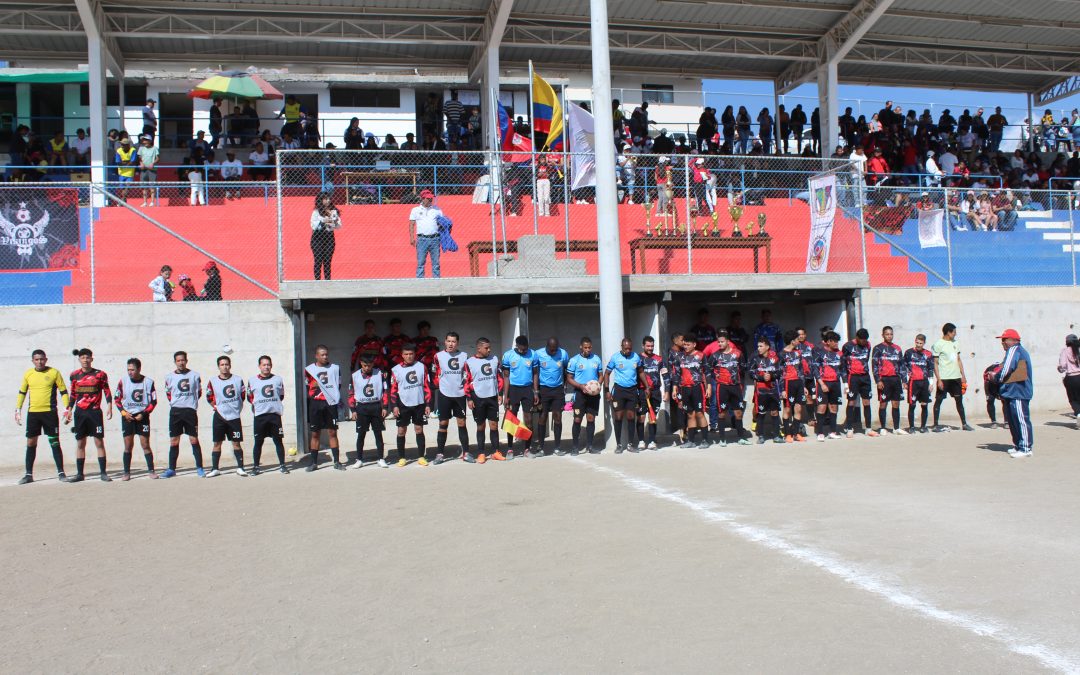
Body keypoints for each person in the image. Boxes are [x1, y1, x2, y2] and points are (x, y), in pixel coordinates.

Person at [14, 350, 69, 484]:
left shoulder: (54, 372)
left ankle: (61, 473)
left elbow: (63, 391)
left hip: (49, 413)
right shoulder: (28, 374)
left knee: (54, 442)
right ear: (33, 361)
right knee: (31, 442)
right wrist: (18, 409)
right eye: (37, 359)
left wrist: (66, 409)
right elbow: (22, 392)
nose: (40, 362)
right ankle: (28, 475)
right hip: (33, 413)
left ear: (46, 360)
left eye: (42, 359)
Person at [65, 348, 114, 483]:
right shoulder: (74, 375)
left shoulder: (100, 374)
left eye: (87, 357)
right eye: (83, 358)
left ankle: (103, 473)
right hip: (80, 413)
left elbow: (107, 391)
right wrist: (69, 409)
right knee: (80, 442)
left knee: (99, 442)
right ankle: (80, 474)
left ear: (91, 359)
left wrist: (109, 406)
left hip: (95, 412)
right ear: (79, 359)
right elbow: (73, 394)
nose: (85, 360)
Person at [162, 351, 205, 478]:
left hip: (190, 411)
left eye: (183, 360)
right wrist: (177, 403)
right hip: (176, 411)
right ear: (175, 362)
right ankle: (171, 469)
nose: (181, 362)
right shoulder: (169, 377)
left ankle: (200, 468)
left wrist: (190, 402)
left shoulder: (195, 375)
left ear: (186, 361)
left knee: (193, 439)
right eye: (178, 360)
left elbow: (199, 392)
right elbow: (168, 394)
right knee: (174, 441)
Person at [114, 357, 158, 480]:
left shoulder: (148, 382)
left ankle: (151, 470)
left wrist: (143, 414)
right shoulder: (123, 381)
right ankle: (126, 472)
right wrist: (124, 413)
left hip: (142, 416)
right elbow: (117, 399)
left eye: (132, 370)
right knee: (128, 445)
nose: (130, 372)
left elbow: (153, 401)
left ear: (139, 369)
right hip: (128, 417)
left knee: (145, 444)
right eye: (128, 370)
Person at [205, 355, 248, 477]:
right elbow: (209, 397)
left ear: (230, 365)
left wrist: (236, 408)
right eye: (222, 365)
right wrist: (216, 407)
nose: (225, 367)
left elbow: (243, 395)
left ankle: (240, 468)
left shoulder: (237, 380)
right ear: (218, 366)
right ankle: (215, 469)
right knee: (217, 443)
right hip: (219, 417)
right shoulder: (213, 381)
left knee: (236, 443)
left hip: (234, 417)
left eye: (226, 364)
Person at [304, 345, 345, 471]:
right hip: (315, 404)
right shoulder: (309, 369)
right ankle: (313, 463)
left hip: (330, 404)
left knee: (332, 432)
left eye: (326, 354)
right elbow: (307, 386)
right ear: (316, 356)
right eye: (322, 355)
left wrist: (331, 396)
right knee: (315, 433)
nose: (325, 357)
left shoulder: (335, 368)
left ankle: (337, 462)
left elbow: (338, 385)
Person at [391, 344, 433, 466]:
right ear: (402, 355)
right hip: (403, 404)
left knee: (419, 429)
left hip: (419, 403)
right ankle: (401, 458)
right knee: (401, 431)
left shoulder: (422, 367)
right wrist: (394, 405)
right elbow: (393, 390)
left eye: (411, 354)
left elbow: (427, 386)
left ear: (415, 354)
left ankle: (421, 457)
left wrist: (428, 404)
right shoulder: (396, 369)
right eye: (406, 354)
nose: (409, 356)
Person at [248, 355, 289, 475]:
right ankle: (256, 467)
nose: (266, 367)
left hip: (274, 416)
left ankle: (282, 465)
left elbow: (281, 395)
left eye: (268, 365)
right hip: (260, 416)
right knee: (258, 442)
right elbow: (250, 397)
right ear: (259, 366)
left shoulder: (278, 379)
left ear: (271, 366)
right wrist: (260, 405)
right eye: (264, 365)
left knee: (278, 441)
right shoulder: (252, 380)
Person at [995, 329, 1033, 457]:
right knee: (1013, 421)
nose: (1002, 343)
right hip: (1013, 392)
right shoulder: (1017, 351)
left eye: (1004, 340)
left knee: (1021, 420)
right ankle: (1018, 445)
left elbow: (1007, 369)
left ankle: (1026, 448)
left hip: (1018, 392)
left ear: (1013, 340)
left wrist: (996, 378)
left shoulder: (1014, 350)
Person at [432, 332, 469, 464]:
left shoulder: (464, 356)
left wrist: (465, 390)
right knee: (443, 424)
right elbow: (434, 373)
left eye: (453, 341)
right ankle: (440, 454)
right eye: (448, 341)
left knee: (462, 423)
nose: (451, 344)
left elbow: (467, 375)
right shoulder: (438, 356)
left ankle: (466, 453)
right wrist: (439, 385)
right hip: (444, 394)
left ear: (457, 343)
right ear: (445, 341)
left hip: (460, 395)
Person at [500, 336, 539, 459]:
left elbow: (535, 373)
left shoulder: (533, 354)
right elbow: (506, 377)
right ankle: (510, 449)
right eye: (522, 349)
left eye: (526, 349)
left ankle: (527, 449)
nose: (524, 351)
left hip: (528, 389)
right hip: (513, 390)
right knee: (511, 419)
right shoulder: (508, 355)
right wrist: (506, 395)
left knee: (529, 420)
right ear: (516, 346)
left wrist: (536, 392)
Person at [464, 337, 502, 463]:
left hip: (492, 397)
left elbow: (499, 377)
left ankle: (496, 452)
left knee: (494, 425)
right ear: (479, 348)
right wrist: (469, 398)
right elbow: (466, 381)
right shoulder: (469, 362)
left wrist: (500, 393)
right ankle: (481, 453)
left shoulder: (494, 359)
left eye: (489, 347)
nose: (489, 350)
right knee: (481, 426)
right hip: (478, 398)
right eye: (486, 348)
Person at [348, 354, 389, 468]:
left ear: (373, 364)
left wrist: (385, 407)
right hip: (362, 407)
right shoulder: (355, 376)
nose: (367, 368)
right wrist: (353, 410)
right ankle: (359, 459)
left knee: (378, 434)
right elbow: (351, 393)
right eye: (365, 365)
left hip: (376, 407)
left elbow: (385, 390)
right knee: (361, 434)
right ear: (361, 363)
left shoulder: (380, 374)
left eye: (369, 365)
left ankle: (381, 459)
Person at [604, 338, 644, 454]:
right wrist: (607, 390)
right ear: (621, 347)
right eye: (626, 348)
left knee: (631, 417)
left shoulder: (636, 357)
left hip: (632, 390)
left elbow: (641, 372)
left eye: (630, 348)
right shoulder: (615, 357)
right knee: (618, 417)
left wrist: (646, 386)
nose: (628, 350)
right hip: (619, 390)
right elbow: (607, 373)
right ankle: (619, 444)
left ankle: (630, 444)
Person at [708, 331, 748, 447]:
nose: (720, 344)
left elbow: (743, 368)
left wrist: (740, 381)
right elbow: (708, 370)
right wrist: (711, 382)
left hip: (736, 387)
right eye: (718, 342)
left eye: (722, 342)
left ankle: (741, 438)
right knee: (722, 413)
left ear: (728, 342)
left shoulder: (738, 353)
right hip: (722, 387)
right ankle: (722, 439)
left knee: (738, 413)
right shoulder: (715, 356)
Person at [932, 322, 972, 431]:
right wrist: (939, 379)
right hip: (944, 378)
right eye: (954, 332)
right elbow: (935, 363)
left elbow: (958, 359)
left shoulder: (956, 343)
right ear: (948, 332)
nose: (955, 334)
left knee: (959, 401)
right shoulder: (938, 344)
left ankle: (964, 424)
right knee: (939, 400)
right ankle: (935, 425)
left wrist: (963, 375)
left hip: (956, 377)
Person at [566, 337, 603, 455]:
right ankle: (575, 447)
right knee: (577, 419)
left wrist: (597, 385)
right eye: (585, 347)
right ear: (581, 347)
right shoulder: (574, 360)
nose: (588, 349)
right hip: (579, 394)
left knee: (591, 418)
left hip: (593, 395)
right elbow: (569, 378)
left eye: (589, 347)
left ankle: (590, 446)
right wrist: (581, 386)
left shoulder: (596, 359)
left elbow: (601, 375)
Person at [535, 337, 569, 455]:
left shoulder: (563, 353)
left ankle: (557, 447)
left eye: (555, 349)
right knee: (542, 417)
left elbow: (566, 369)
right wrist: (536, 391)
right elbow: (535, 372)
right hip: (543, 389)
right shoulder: (538, 354)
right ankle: (540, 447)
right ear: (547, 346)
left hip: (558, 389)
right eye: (551, 350)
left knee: (557, 417)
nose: (554, 352)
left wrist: (565, 385)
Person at [841, 328, 878, 437]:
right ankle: (849, 428)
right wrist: (845, 382)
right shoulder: (847, 346)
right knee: (851, 402)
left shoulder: (868, 345)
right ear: (857, 337)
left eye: (865, 340)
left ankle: (868, 428)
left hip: (865, 377)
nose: (864, 342)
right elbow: (843, 364)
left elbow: (866, 359)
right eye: (862, 339)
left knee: (866, 402)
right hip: (853, 377)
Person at [872, 326, 907, 435]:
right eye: (887, 334)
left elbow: (902, 365)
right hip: (884, 379)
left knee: (896, 404)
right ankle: (883, 428)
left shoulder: (897, 348)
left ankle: (896, 428)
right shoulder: (878, 348)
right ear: (883, 335)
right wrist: (878, 380)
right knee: (883, 404)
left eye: (891, 334)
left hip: (895, 379)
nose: (889, 336)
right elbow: (874, 365)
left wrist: (904, 380)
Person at [748, 337, 783, 444]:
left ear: (767, 347)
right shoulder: (755, 358)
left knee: (774, 412)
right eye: (758, 346)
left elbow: (780, 371)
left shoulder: (776, 357)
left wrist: (772, 376)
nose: (758, 348)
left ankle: (776, 436)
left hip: (773, 390)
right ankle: (761, 436)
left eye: (761, 346)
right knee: (761, 412)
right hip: (761, 390)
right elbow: (750, 373)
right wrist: (761, 377)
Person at [778, 330, 810, 443]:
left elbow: (800, 370)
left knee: (798, 408)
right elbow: (780, 373)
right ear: (792, 341)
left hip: (798, 383)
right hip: (788, 383)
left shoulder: (798, 353)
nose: (799, 340)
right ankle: (787, 434)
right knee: (787, 409)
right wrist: (782, 389)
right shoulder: (781, 354)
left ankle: (796, 433)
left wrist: (804, 386)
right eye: (797, 339)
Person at [636, 336, 666, 451]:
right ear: (643, 346)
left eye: (652, 346)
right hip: (642, 391)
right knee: (641, 416)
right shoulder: (637, 358)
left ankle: (652, 441)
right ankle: (641, 441)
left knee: (652, 417)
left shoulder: (659, 359)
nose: (650, 348)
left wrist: (667, 391)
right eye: (648, 346)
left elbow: (665, 375)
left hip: (655, 392)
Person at [813, 331, 844, 441]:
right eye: (834, 341)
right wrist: (822, 384)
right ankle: (820, 432)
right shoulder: (819, 352)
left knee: (834, 408)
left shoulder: (840, 354)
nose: (836, 343)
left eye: (837, 341)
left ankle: (833, 432)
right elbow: (815, 369)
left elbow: (843, 370)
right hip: (823, 383)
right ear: (828, 342)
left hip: (835, 383)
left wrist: (846, 384)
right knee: (822, 407)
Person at [903, 334, 934, 433]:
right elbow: (904, 367)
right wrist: (904, 381)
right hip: (913, 382)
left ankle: (923, 426)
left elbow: (930, 369)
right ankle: (911, 427)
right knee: (912, 405)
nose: (918, 345)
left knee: (924, 405)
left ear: (924, 343)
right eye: (917, 342)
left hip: (924, 382)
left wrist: (931, 383)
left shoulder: (928, 354)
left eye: (921, 343)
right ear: (915, 341)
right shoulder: (908, 352)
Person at [410, 189, 443, 278]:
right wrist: (412, 238)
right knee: (421, 263)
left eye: (431, 198)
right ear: (423, 198)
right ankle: (420, 281)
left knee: (436, 263)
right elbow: (412, 224)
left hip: (435, 238)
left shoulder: (437, 210)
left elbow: (441, 224)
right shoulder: (415, 210)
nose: (430, 200)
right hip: (422, 239)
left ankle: (437, 281)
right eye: (428, 198)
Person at [310, 191, 341, 281]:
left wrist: (334, 221)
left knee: (327, 261)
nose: (328, 200)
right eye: (325, 199)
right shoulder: (316, 212)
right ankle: (317, 281)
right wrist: (324, 221)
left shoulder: (333, 211)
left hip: (329, 238)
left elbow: (339, 226)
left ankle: (328, 281)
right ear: (320, 200)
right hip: (317, 238)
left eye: (329, 199)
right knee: (318, 260)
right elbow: (313, 226)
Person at [1058, 334, 1080, 427]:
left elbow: (1062, 366)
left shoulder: (1065, 351)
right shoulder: (1079, 350)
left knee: (1073, 399)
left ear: (1067, 342)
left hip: (1071, 378)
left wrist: (1059, 368)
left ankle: (1078, 414)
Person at [983, 362, 1007, 428]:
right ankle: (993, 421)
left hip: (1000, 381)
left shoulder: (1005, 373)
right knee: (990, 401)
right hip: (989, 383)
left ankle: (1007, 421)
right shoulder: (989, 375)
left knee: (1005, 401)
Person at [114, 136, 138, 202]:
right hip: (121, 172)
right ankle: (124, 200)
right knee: (122, 188)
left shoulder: (133, 150)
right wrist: (128, 162)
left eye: (124, 144)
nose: (122, 146)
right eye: (121, 144)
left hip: (130, 173)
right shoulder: (119, 151)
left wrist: (124, 162)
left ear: (128, 145)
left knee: (128, 187)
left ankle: (123, 199)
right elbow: (118, 162)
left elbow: (133, 162)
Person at [137, 135, 159, 207]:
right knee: (144, 186)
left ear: (150, 141)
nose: (144, 141)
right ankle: (145, 202)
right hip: (143, 169)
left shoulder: (155, 148)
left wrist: (153, 163)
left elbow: (157, 158)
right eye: (143, 140)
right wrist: (141, 163)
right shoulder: (141, 148)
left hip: (152, 170)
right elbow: (139, 157)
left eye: (146, 140)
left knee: (152, 186)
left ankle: (152, 202)